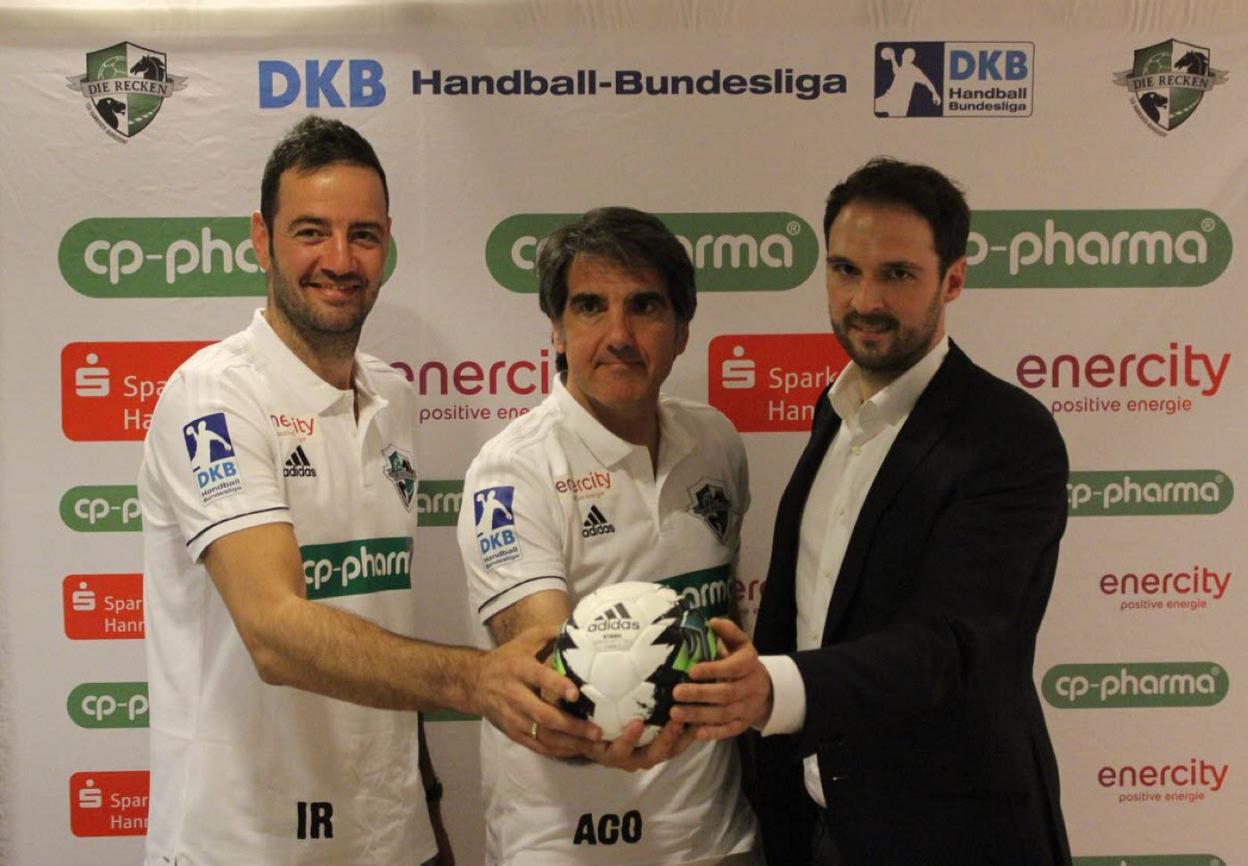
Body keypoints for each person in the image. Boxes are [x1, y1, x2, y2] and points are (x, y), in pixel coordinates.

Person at [137, 116, 596, 865]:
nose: (340, 260)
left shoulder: (392, 397)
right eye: (311, 232)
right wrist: (475, 678)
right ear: (261, 239)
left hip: (389, 838)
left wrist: (425, 811)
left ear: (387, 242)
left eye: (363, 235)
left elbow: (376, 618)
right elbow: (274, 632)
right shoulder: (213, 397)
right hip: (245, 846)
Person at [673, 158, 1073, 865]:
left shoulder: (1009, 435)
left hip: (953, 839)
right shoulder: (834, 413)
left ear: (953, 279)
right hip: (813, 827)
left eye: (898, 274)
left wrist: (773, 690)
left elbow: (950, 643)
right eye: (845, 270)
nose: (865, 299)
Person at [456, 207, 760, 865]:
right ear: (557, 331)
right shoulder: (512, 472)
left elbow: (721, 616)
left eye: (644, 307)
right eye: (590, 306)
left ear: (682, 331)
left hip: (716, 838)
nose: (619, 335)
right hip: (569, 846)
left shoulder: (716, 443)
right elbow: (545, 670)